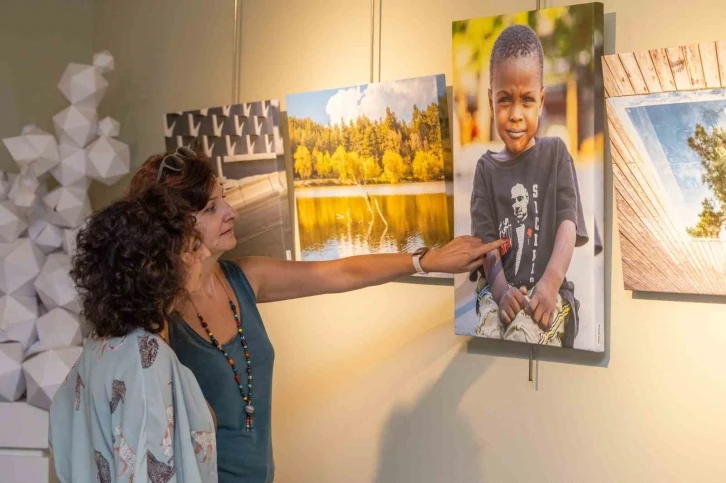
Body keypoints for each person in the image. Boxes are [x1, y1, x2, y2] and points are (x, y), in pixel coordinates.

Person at [126, 146, 506, 483]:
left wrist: (427, 260)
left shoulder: (244, 279)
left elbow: (339, 272)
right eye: (212, 208)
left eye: (223, 197)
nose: (231, 210)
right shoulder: (158, 321)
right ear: (175, 226)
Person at [49, 187, 218, 483]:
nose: (204, 253)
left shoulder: (96, 351)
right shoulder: (145, 361)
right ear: (159, 267)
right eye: (191, 247)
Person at [470, 24, 588, 347]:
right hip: (499, 294)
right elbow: (487, 246)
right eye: (505, 100)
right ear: (491, 100)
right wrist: (500, 290)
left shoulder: (556, 154)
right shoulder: (485, 170)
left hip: (550, 298)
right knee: (492, 336)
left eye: (527, 100)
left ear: (541, 101)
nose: (516, 115)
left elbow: (568, 224)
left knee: (524, 336)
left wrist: (549, 284)